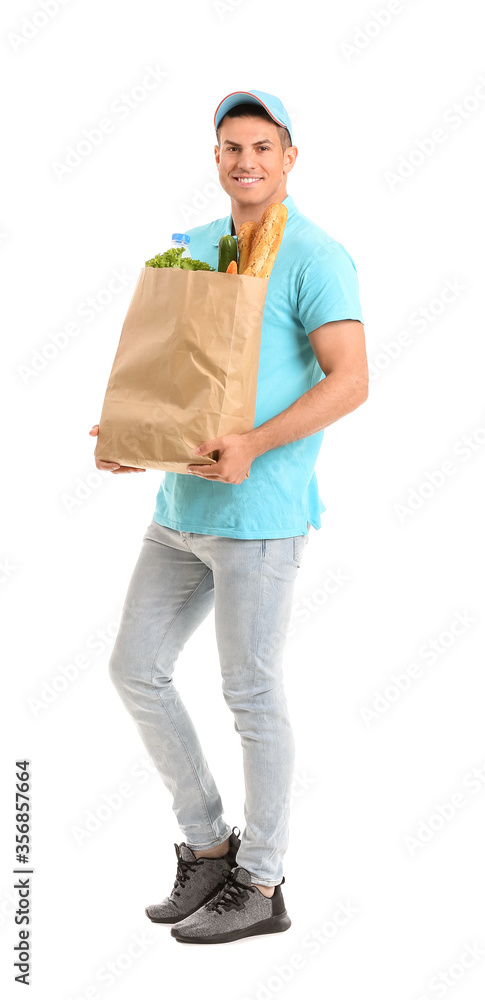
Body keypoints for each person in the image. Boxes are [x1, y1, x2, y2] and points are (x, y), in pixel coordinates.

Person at [89, 89, 368, 945]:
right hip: (180, 507)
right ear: (216, 159)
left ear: (289, 158)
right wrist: (135, 432)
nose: (244, 161)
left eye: (261, 147)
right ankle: (210, 846)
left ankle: (262, 880)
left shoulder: (317, 256)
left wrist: (253, 443)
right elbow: (179, 374)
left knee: (249, 693)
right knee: (134, 669)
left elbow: (349, 381)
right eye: (229, 148)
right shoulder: (200, 248)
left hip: (260, 515)